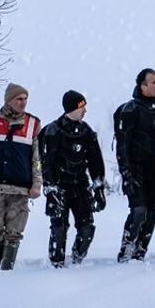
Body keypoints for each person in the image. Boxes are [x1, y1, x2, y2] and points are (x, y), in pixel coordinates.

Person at [0, 83, 42, 271]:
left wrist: (37, 184)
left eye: (25, 99)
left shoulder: (33, 124)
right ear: (8, 100)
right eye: (19, 99)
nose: (23, 103)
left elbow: (37, 159)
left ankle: (6, 270)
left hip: (20, 187)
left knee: (15, 231)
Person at [39, 90, 106, 267]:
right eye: (81, 107)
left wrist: (98, 186)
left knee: (87, 229)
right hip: (60, 186)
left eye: (85, 107)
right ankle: (57, 263)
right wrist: (50, 189)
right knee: (59, 229)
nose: (85, 111)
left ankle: (77, 259)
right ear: (70, 108)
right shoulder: (53, 130)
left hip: (81, 186)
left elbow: (96, 161)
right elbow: (46, 163)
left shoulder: (87, 131)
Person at [113, 68, 155, 262]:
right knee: (138, 211)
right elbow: (122, 145)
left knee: (153, 209)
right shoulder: (130, 109)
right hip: (135, 168)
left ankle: (140, 252)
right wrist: (126, 173)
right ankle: (125, 251)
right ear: (143, 86)